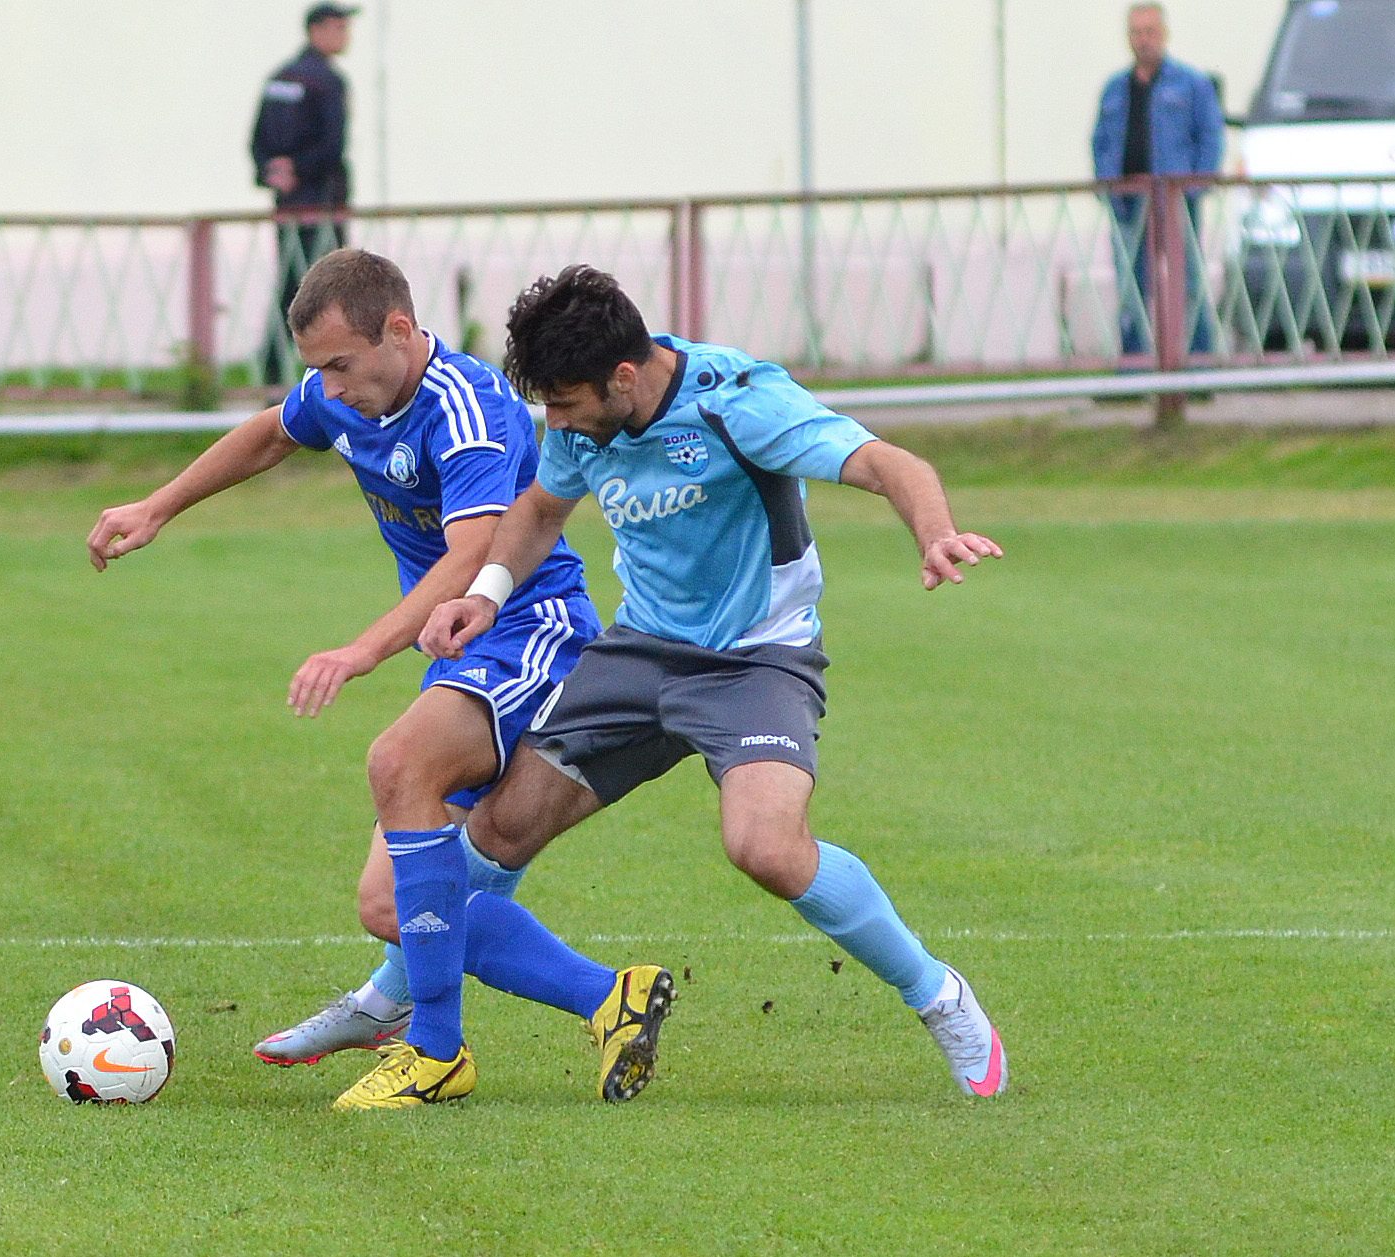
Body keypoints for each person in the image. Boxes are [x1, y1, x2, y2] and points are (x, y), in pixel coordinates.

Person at [87, 248, 676, 1112]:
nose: (326, 389)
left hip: (526, 634)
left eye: (338, 366)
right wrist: (156, 506)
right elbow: (266, 433)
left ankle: (433, 1051)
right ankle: (602, 999)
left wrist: (360, 651)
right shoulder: (349, 395)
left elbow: (472, 558)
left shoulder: (467, 409)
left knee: (397, 764)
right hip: (460, 650)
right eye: (315, 369)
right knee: (387, 901)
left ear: (398, 332)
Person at [414, 264, 1010, 1101]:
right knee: (496, 831)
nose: (556, 425)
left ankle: (937, 995)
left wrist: (935, 533)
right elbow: (543, 509)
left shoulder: (738, 403)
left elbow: (887, 463)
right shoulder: (583, 422)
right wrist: (483, 595)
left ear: (623, 377)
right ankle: (402, 1005)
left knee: (763, 847)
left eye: (566, 405)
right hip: (638, 652)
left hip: (753, 660)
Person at [1091, 2, 1223, 358]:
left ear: (1164, 35)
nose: (1143, 40)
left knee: (1187, 285)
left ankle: (1198, 366)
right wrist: (1106, 186)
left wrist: (1194, 188)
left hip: (1175, 202)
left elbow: (1210, 137)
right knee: (1130, 286)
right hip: (1129, 202)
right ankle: (1132, 370)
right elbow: (1101, 141)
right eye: (1136, 33)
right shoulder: (1115, 89)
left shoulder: (1191, 85)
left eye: (1150, 32)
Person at [250, 3, 355, 391]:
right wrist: (300, 169)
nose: (345, 37)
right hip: (322, 203)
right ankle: (335, 373)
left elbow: (257, 139)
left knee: (291, 285)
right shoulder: (327, 82)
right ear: (318, 31)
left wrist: (273, 171)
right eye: (339, 28)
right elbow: (333, 145)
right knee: (333, 288)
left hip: (287, 205)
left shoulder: (280, 77)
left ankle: (272, 370)